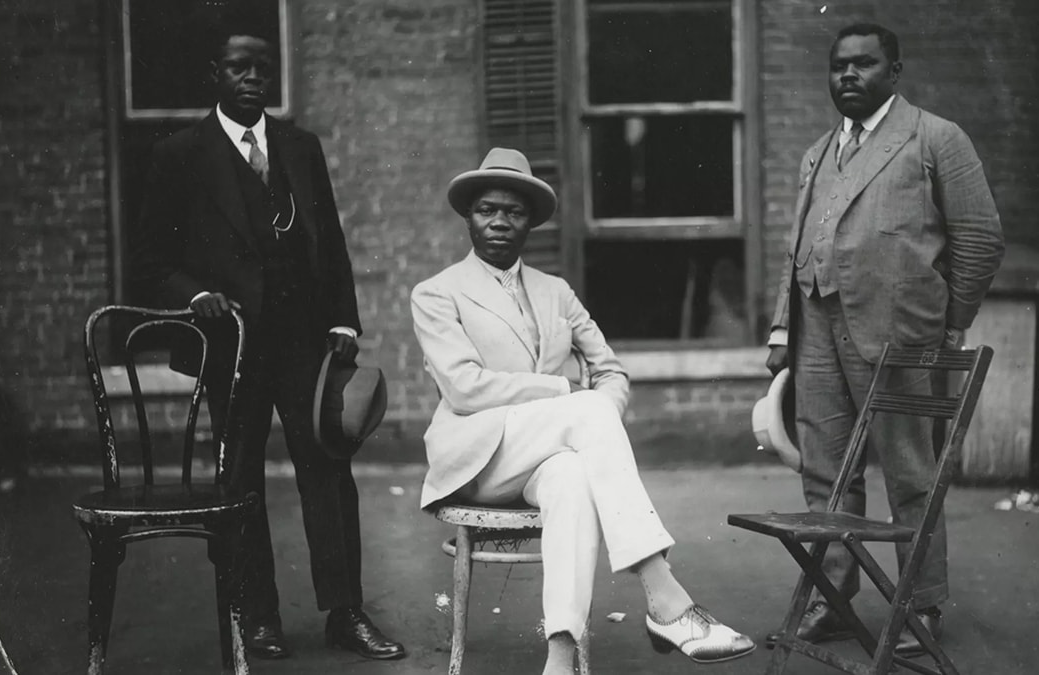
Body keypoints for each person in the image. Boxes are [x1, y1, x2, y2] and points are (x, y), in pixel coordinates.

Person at [411, 148, 756, 675]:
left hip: (550, 453)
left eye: (514, 211)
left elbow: (610, 371)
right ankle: (665, 597)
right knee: (586, 410)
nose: (500, 221)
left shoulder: (557, 293)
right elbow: (464, 389)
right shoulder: (437, 294)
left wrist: (596, 412)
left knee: (573, 476)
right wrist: (566, 393)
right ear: (468, 216)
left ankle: (561, 657)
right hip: (478, 460)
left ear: (530, 221)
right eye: (487, 210)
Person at [131, 17, 404, 661]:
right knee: (241, 479)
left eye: (261, 68)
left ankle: (345, 613)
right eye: (237, 68)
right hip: (232, 348)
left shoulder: (299, 147)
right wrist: (196, 296)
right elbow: (149, 260)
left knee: (329, 472)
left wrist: (343, 321)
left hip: (305, 342)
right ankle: (258, 619)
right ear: (214, 76)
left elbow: (329, 243)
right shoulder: (180, 155)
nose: (252, 79)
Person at [764, 23, 1005, 654]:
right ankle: (834, 597)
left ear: (893, 73)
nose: (848, 76)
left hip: (902, 337)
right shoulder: (818, 151)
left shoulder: (934, 138)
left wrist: (951, 323)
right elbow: (796, 247)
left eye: (864, 65)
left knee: (910, 473)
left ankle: (920, 606)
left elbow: (980, 237)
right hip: (818, 327)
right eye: (839, 66)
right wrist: (782, 327)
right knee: (825, 472)